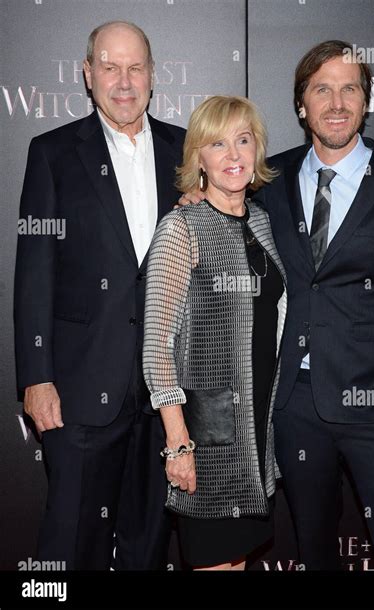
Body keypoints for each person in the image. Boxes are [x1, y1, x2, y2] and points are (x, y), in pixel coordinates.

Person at [253, 40, 374, 569]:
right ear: (301, 105)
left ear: (366, 102)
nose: (336, 103)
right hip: (294, 404)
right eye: (322, 89)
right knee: (311, 552)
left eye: (349, 89)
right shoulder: (267, 180)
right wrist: (195, 194)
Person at [14, 21, 185, 569]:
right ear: (88, 75)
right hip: (81, 393)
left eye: (136, 67)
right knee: (68, 548)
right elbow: (33, 274)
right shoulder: (53, 154)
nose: (124, 81)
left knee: (148, 547)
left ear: (153, 76)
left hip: (165, 399)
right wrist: (36, 378)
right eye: (110, 67)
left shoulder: (187, 153)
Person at [143, 95, 286, 570]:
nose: (233, 155)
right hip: (207, 440)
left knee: (237, 562)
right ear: (197, 158)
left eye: (243, 141)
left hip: (255, 438)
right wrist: (178, 443)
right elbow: (157, 349)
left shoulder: (263, 223)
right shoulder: (181, 228)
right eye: (217, 143)